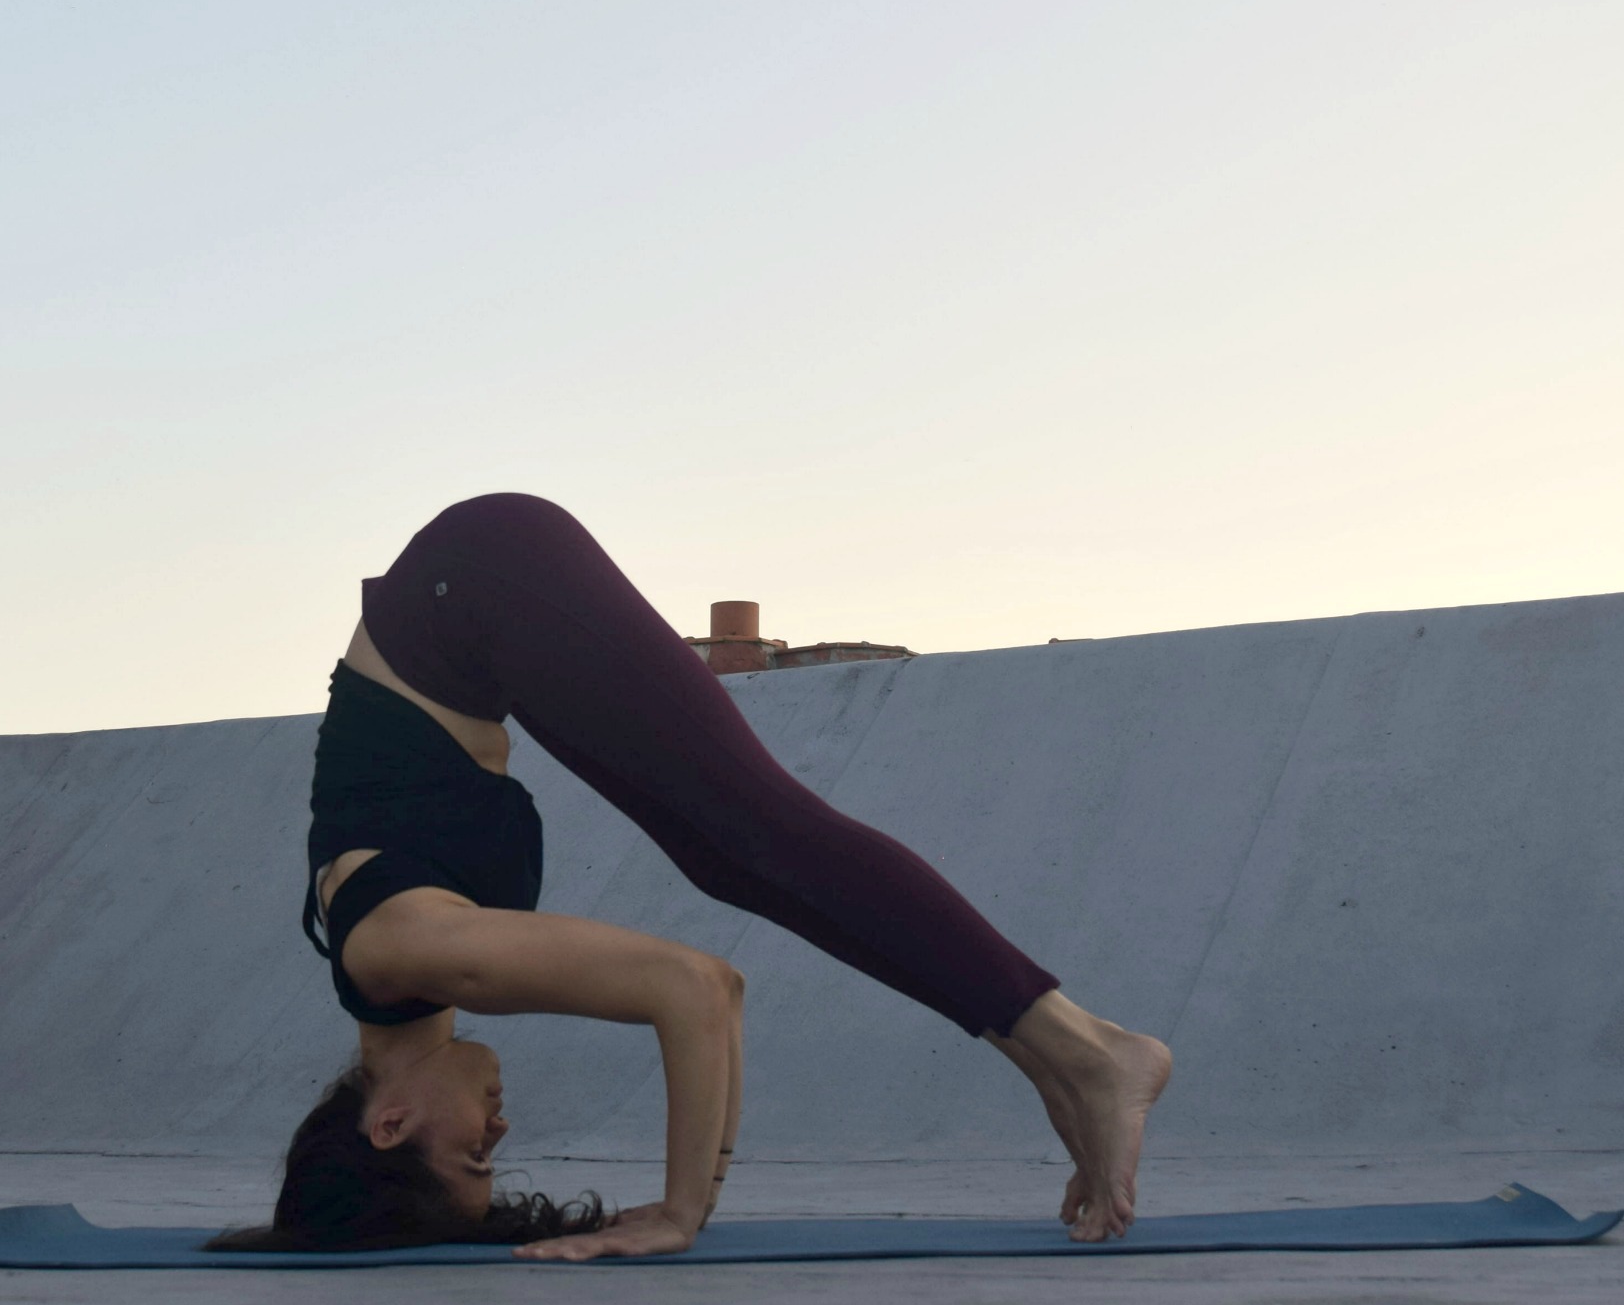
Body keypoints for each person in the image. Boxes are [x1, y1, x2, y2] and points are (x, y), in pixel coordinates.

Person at [210, 493, 1170, 1260]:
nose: (499, 1132)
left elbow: (697, 985)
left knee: (761, 829)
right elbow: (714, 987)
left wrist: (681, 1211)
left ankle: (1091, 1049)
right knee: (729, 853)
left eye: (471, 1152)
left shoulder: (408, 949)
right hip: (481, 602)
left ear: (388, 1123)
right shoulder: (405, 971)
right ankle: (1056, 1055)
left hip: (486, 577)